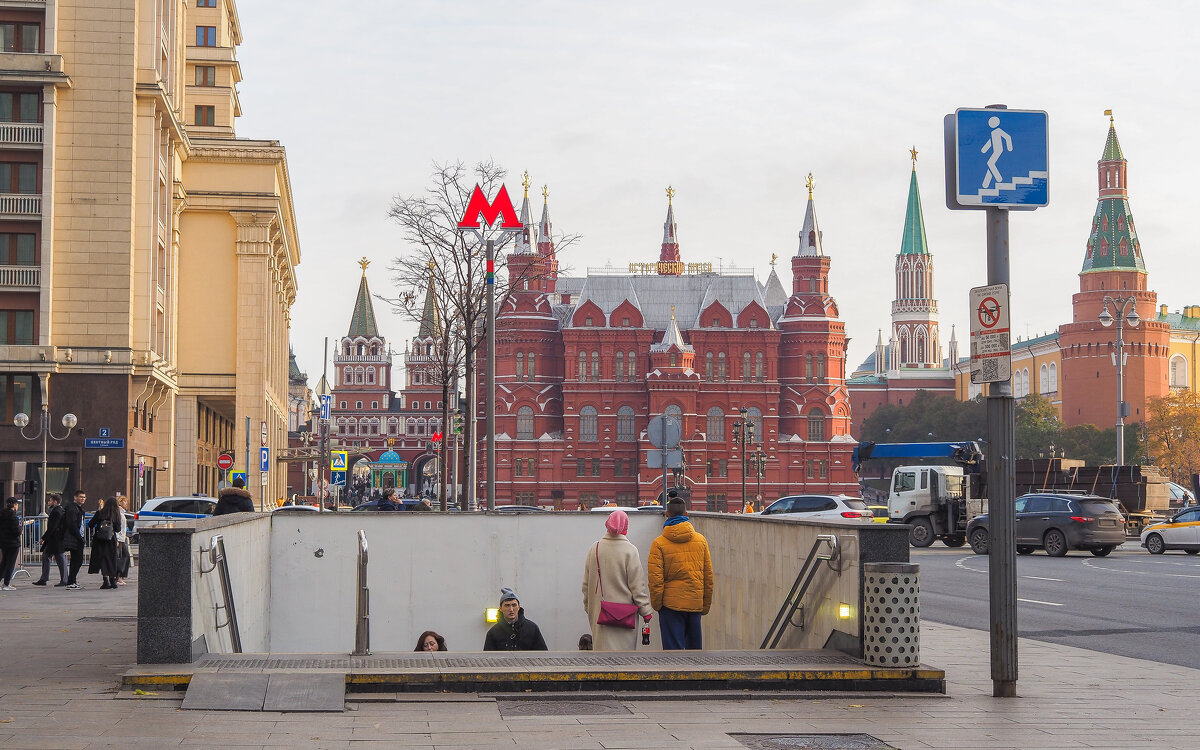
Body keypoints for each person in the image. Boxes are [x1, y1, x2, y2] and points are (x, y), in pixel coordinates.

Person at [581, 509, 653, 650]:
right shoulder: (630, 550)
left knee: (602, 660)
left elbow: (586, 585)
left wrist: (589, 608)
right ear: (625, 527)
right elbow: (637, 586)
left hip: (600, 615)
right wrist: (646, 611)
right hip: (625, 618)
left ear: (607, 524)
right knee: (624, 660)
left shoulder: (594, 549)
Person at [647, 498, 713, 650]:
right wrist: (704, 606)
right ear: (687, 514)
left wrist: (658, 605)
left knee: (673, 656)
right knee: (694, 655)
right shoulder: (700, 540)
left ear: (667, 514)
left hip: (670, 606)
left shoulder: (659, 543)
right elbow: (708, 576)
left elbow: (655, 579)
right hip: (695, 603)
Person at [483, 587, 548, 651]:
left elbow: (543, 656)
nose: (511, 609)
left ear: (519, 607)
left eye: (514, 605)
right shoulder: (493, 633)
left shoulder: (532, 628)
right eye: (507, 605)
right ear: (500, 608)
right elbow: (487, 659)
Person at [86, 497, 122, 590]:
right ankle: (113, 580)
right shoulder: (116, 514)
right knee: (111, 559)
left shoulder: (100, 513)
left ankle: (106, 581)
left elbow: (90, 524)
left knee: (102, 559)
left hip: (100, 540)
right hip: (111, 540)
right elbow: (118, 529)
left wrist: (99, 525)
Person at [33, 494, 67, 586]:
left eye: (50, 501)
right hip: (55, 539)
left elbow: (52, 527)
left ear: (55, 502)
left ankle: (63, 580)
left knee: (58, 557)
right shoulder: (59, 510)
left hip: (55, 539)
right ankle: (45, 579)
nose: (48, 502)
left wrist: (43, 538)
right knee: (48, 556)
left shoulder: (56, 512)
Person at [61, 490, 87, 589]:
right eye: (80, 497)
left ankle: (72, 580)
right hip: (74, 538)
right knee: (77, 560)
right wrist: (79, 537)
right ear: (75, 497)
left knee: (77, 560)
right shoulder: (72, 509)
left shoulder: (78, 509)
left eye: (84, 497)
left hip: (78, 537)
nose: (83, 499)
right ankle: (71, 581)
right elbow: (72, 524)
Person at [0, 497, 21, 590]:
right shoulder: (13, 517)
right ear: (15, 505)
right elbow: (16, 531)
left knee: (4, 562)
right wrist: (21, 528)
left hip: (3, 542)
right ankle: (6, 584)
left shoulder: (2, 514)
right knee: (10, 564)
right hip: (13, 543)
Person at [115, 496, 131, 585]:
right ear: (120, 502)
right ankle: (118, 577)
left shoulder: (121, 512)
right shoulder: (119, 513)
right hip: (119, 539)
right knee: (123, 557)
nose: (126, 503)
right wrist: (117, 539)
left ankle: (120, 576)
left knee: (124, 556)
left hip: (122, 538)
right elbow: (118, 527)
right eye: (124, 502)